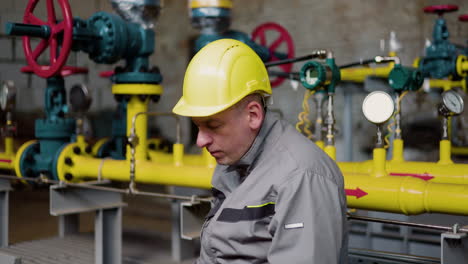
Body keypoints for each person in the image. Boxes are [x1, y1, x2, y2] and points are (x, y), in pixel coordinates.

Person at [173, 39, 347, 264]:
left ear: (253, 115)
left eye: (213, 125)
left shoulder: (301, 178)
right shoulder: (234, 161)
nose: (200, 140)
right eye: (197, 126)